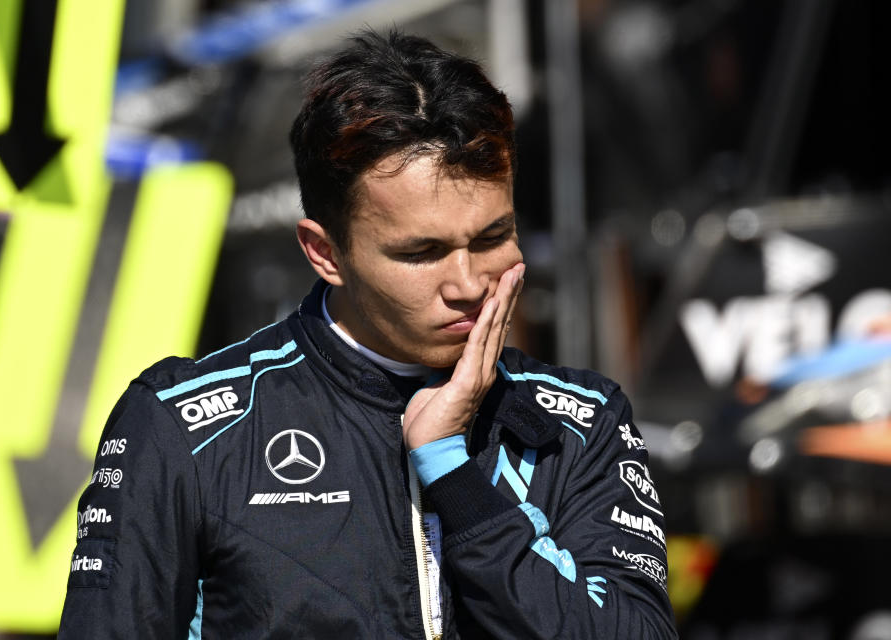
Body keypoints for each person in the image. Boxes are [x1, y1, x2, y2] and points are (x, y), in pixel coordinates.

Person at [58, 30, 677, 639]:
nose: (467, 282)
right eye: (422, 252)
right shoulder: (185, 429)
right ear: (325, 253)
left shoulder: (582, 423)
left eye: (492, 239)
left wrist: (455, 478)